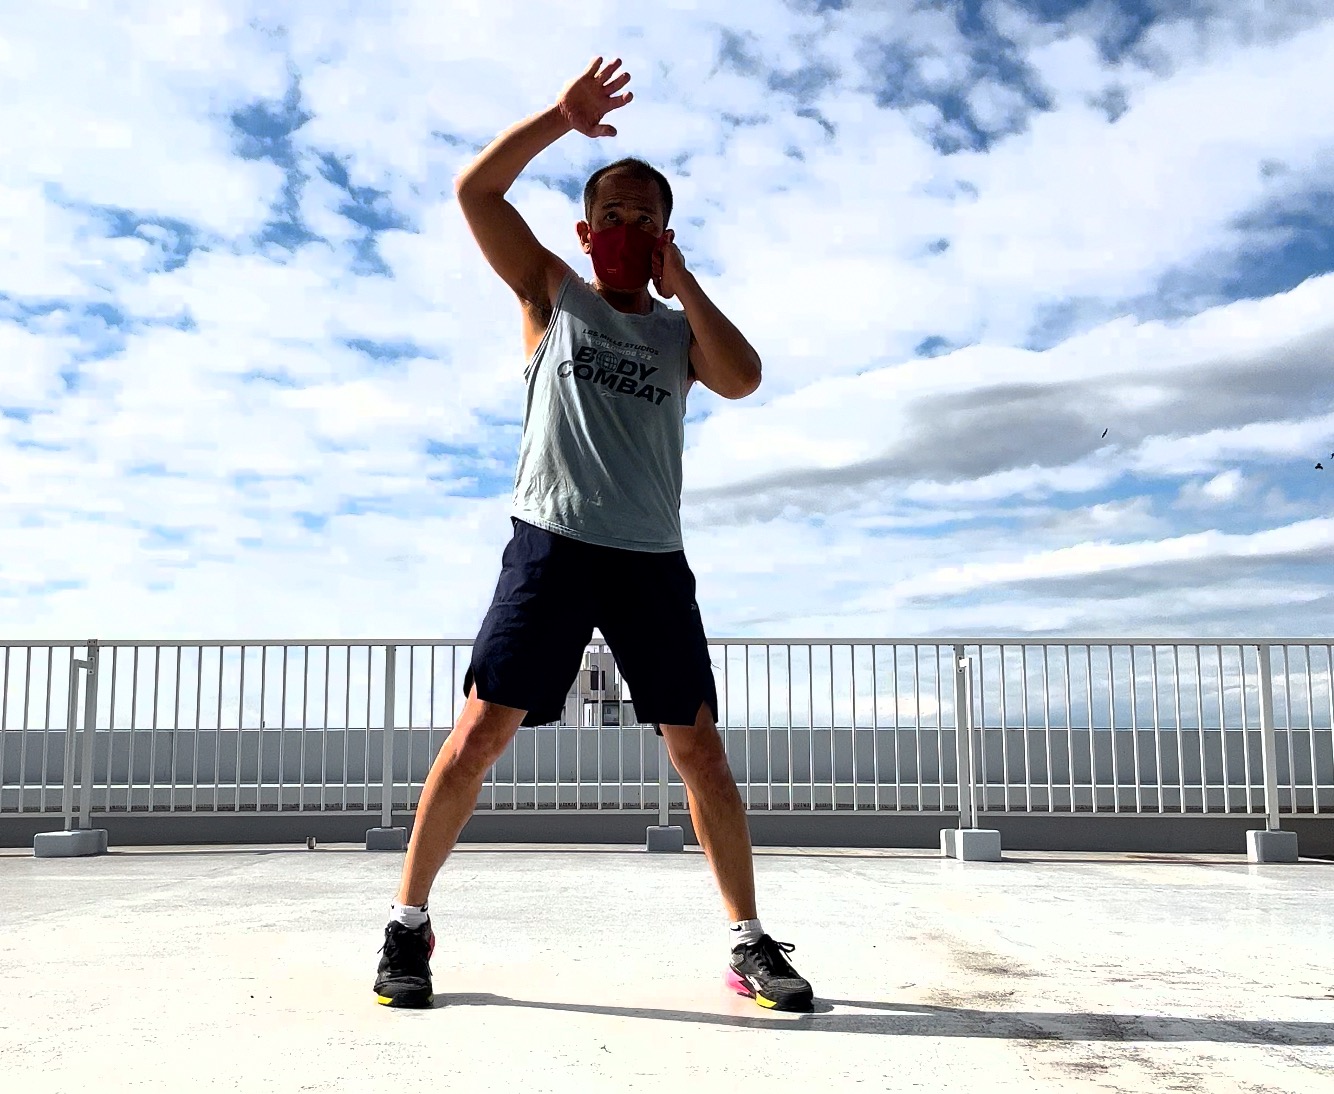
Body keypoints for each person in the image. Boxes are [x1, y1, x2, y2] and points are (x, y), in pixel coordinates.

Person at [373, 57, 814, 1014]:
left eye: (643, 218)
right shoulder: (552, 295)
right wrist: (559, 119)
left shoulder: (679, 337)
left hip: (651, 558)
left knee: (700, 750)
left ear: (663, 235)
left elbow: (743, 377)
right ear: (585, 230)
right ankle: (408, 924)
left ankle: (748, 941)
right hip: (553, 544)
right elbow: (476, 191)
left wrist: (683, 284)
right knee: (479, 733)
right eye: (610, 214)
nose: (625, 228)